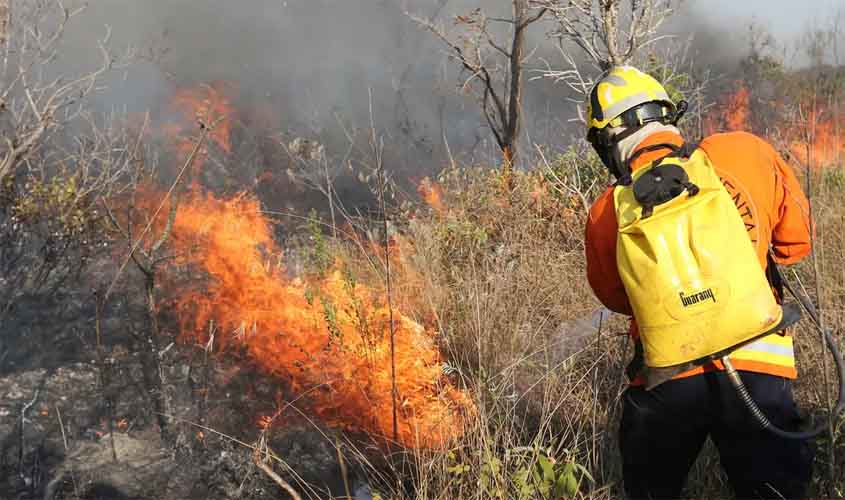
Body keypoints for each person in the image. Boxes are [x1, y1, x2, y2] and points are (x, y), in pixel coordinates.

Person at [582, 65, 815, 500]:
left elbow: (618, 298)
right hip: (759, 363)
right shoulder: (744, 151)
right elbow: (796, 244)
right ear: (667, 113)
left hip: (666, 377)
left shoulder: (606, 211)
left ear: (607, 141)